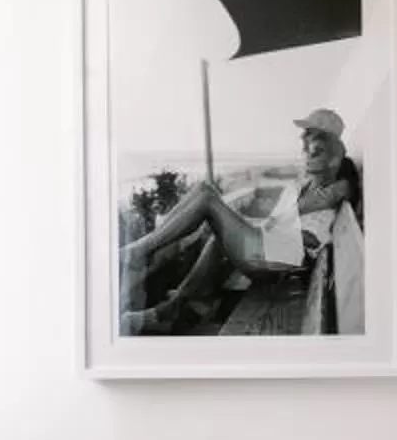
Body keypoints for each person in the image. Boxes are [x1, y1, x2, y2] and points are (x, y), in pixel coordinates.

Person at [122, 108, 364, 334]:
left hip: (277, 257)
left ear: (333, 155)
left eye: (314, 141)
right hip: (275, 251)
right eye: (304, 137)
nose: (304, 144)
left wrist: (286, 212)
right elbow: (280, 222)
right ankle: (171, 307)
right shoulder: (312, 184)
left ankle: (140, 254)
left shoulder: (337, 187)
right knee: (213, 221)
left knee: (206, 196)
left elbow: (309, 214)